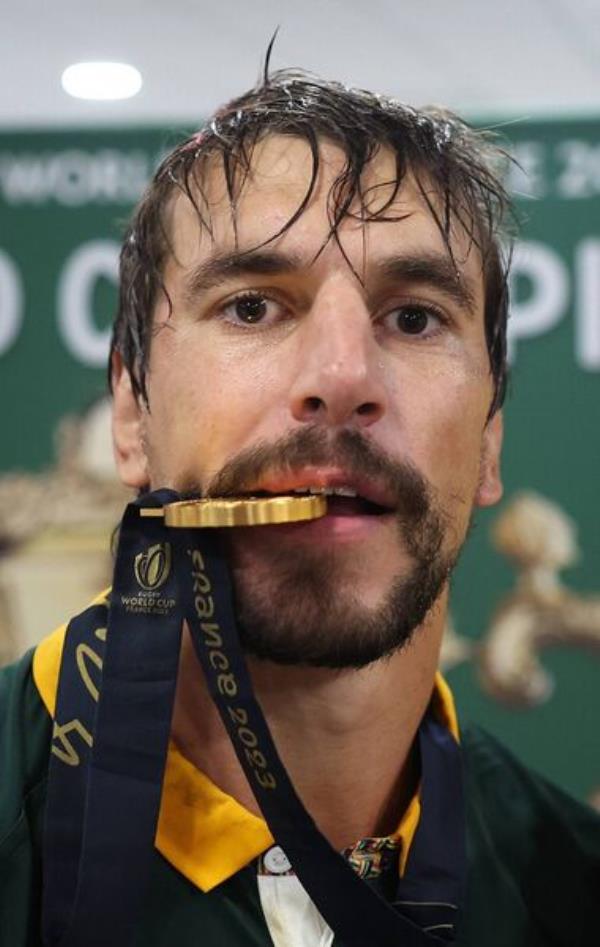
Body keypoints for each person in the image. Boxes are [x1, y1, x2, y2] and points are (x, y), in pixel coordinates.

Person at [1, 68, 598, 947]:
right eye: (252, 306)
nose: (342, 377)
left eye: (416, 317)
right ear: (131, 415)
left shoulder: (575, 888)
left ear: (490, 443)